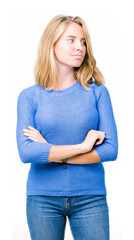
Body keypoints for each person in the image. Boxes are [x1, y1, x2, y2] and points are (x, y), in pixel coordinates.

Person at [16, 15, 118, 240]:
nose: (79, 48)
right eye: (70, 40)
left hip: (90, 197)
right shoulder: (29, 97)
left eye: (83, 42)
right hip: (42, 198)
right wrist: (83, 146)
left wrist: (50, 151)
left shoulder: (98, 92)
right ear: (51, 45)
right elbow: (27, 152)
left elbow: (110, 151)